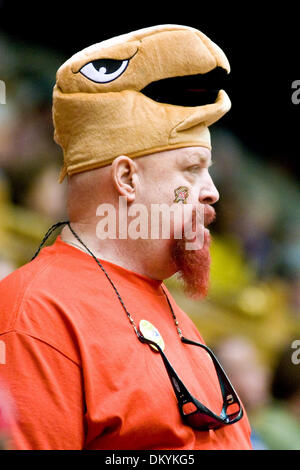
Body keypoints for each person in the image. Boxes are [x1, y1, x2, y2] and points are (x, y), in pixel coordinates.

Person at [0, 25, 252, 450]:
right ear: (126, 178)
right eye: (192, 169)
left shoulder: (174, 312)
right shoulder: (36, 313)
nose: (212, 191)